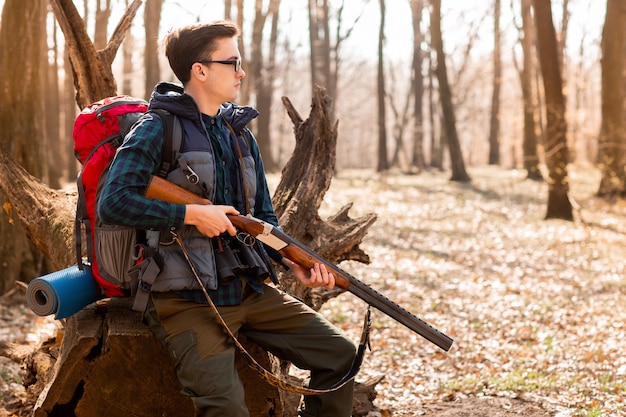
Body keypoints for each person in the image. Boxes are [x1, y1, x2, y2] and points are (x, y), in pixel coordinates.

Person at [97, 20, 356, 417]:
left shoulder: (240, 134)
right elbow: (113, 203)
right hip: (182, 298)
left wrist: (292, 261)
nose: (241, 71)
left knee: (340, 355)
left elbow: (263, 219)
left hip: (246, 290)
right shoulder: (156, 128)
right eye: (232, 61)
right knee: (227, 408)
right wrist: (190, 214)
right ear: (199, 70)